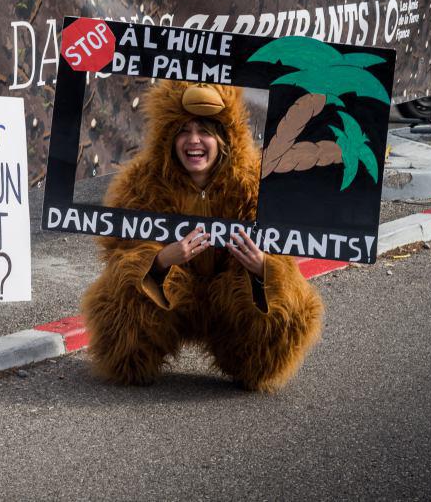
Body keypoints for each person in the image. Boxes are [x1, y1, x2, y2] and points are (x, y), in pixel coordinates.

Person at [81, 80, 324, 392]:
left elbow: (282, 249)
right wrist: (161, 260)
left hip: (229, 302)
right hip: (168, 296)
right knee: (121, 287)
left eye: (205, 130)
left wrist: (262, 267)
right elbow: (118, 250)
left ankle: (249, 357)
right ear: (168, 138)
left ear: (224, 137)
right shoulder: (141, 182)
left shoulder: (257, 183)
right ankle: (137, 356)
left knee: (286, 297)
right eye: (183, 130)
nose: (193, 140)